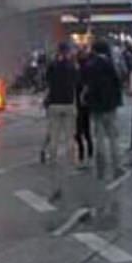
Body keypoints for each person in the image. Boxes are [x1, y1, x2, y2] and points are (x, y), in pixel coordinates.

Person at [82, 39, 123, 184]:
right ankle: (117, 165)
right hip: (111, 105)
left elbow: (86, 85)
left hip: (96, 105)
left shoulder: (90, 65)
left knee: (99, 137)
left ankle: (101, 167)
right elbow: (118, 82)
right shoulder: (111, 64)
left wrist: (85, 99)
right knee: (113, 137)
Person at [44, 42, 78, 201]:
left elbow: (47, 80)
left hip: (54, 103)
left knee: (54, 135)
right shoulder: (72, 67)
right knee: (70, 136)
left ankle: (53, 158)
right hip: (68, 103)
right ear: (68, 51)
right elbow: (77, 81)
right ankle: (71, 161)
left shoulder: (52, 66)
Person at [74, 45, 93, 167]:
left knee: (80, 131)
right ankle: (88, 153)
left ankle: (83, 154)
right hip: (84, 104)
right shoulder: (86, 69)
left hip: (81, 103)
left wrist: (82, 95)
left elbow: (84, 85)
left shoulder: (82, 70)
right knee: (85, 131)